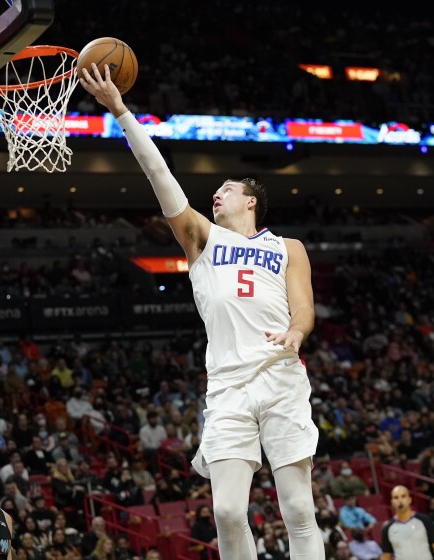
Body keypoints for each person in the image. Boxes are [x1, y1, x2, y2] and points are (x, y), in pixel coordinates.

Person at [80, 63, 321, 560]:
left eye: (228, 189)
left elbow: (303, 310)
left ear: (252, 201)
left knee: (297, 507)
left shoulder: (288, 246)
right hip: (229, 385)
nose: (217, 193)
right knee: (229, 513)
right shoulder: (201, 239)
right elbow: (159, 175)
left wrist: (296, 334)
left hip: (280, 377)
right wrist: (122, 113)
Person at [380, 486, 434, 560]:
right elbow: (386, 556)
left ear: (409, 499)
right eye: (396, 497)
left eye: (403, 496)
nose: (400, 500)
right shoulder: (387, 529)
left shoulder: (424, 520)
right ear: (392, 502)